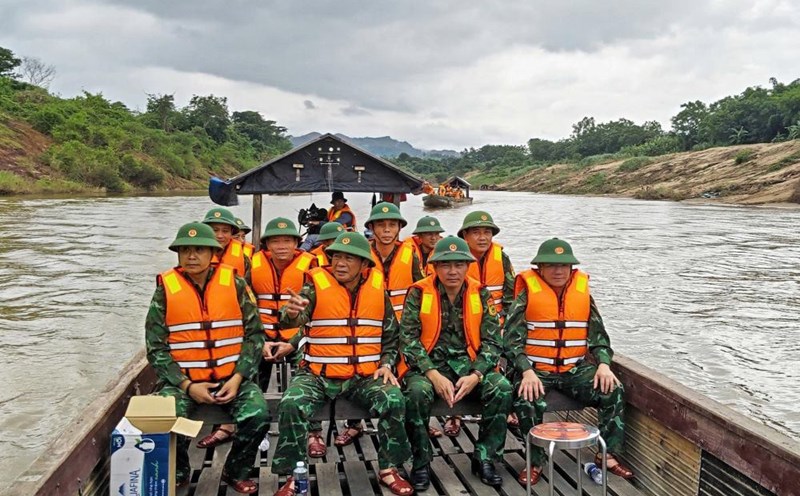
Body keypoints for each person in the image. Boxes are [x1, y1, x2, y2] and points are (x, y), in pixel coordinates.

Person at [269, 231, 414, 496]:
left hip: (364, 377)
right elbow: (292, 318)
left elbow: (392, 337)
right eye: (336, 257)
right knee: (291, 403)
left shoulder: (377, 291)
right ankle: (291, 475)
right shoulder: (313, 286)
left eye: (349, 258)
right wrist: (291, 312)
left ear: (364, 265)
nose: (340, 263)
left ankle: (389, 468)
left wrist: (387, 363)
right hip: (317, 375)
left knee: (394, 400)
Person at [145, 222, 272, 494]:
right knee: (163, 416)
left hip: (232, 378)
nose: (192, 256)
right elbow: (156, 348)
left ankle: (235, 470)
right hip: (184, 382)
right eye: (185, 250)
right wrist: (187, 386)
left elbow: (255, 336)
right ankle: (179, 470)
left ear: (212, 253)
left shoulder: (235, 284)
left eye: (199, 250)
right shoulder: (165, 290)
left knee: (258, 413)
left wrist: (238, 378)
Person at [504, 238, 634, 486]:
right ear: (539, 268)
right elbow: (510, 342)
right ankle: (536, 461)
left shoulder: (583, 294)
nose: (558, 270)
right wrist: (526, 371)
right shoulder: (526, 295)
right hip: (537, 370)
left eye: (564, 266)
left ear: (572, 269)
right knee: (526, 397)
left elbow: (599, 339)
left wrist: (604, 364)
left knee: (613, 390)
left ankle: (607, 455)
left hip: (574, 369)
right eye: (551, 265)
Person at [400, 236, 512, 490]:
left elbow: (493, 342)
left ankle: (485, 457)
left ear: (467, 266)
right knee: (416, 393)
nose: (453, 271)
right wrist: (432, 373)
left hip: (469, 364)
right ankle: (421, 461)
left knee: (502, 388)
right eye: (446, 264)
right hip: (428, 365)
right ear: (435, 267)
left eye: (459, 264)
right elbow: (408, 339)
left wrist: (477, 374)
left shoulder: (481, 294)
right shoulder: (418, 292)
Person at [202, 207, 251, 280]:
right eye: (214, 230)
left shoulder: (244, 259)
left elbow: (247, 286)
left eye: (225, 231)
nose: (220, 236)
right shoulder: (192, 257)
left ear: (231, 233)